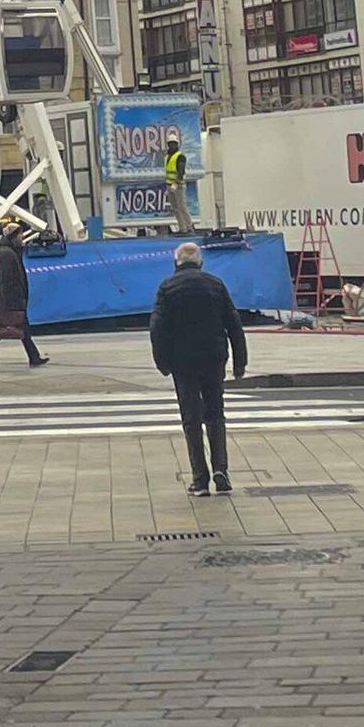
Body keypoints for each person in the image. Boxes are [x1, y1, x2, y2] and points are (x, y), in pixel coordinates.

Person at [149, 240, 247, 495]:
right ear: (200, 262)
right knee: (216, 414)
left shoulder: (167, 288)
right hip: (214, 358)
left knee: (191, 419)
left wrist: (162, 362)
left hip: (183, 362)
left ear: (176, 263)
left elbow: (157, 328)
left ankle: (200, 479)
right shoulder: (215, 284)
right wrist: (240, 361)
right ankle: (221, 470)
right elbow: (233, 323)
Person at [0, 225, 48, 369]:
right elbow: (7, 280)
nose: (21, 238)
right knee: (7, 328)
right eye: (19, 235)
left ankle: (33, 356)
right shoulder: (6, 254)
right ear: (13, 236)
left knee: (18, 328)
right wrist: (12, 299)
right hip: (12, 299)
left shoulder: (10, 252)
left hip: (15, 297)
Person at [164, 134, 192, 234]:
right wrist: (168, 187)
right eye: (170, 143)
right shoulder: (167, 156)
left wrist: (176, 183)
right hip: (169, 185)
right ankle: (182, 229)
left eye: (173, 143)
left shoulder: (180, 156)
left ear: (177, 144)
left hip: (178, 185)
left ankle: (189, 228)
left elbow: (181, 171)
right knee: (175, 208)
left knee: (182, 207)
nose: (172, 145)